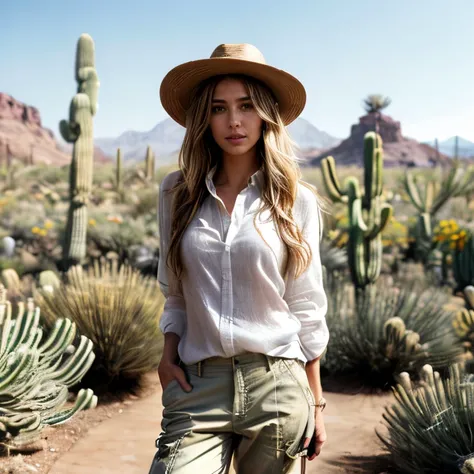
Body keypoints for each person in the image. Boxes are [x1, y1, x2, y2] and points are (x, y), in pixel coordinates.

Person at [148, 43, 330, 474]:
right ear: (203, 118)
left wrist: (316, 401)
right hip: (198, 384)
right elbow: (175, 292)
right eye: (219, 108)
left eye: (246, 106)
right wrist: (167, 354)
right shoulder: (177, 194)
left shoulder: (294, 199)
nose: (233, 121)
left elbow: (306, 305)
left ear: (265, 113)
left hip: (277, 386)